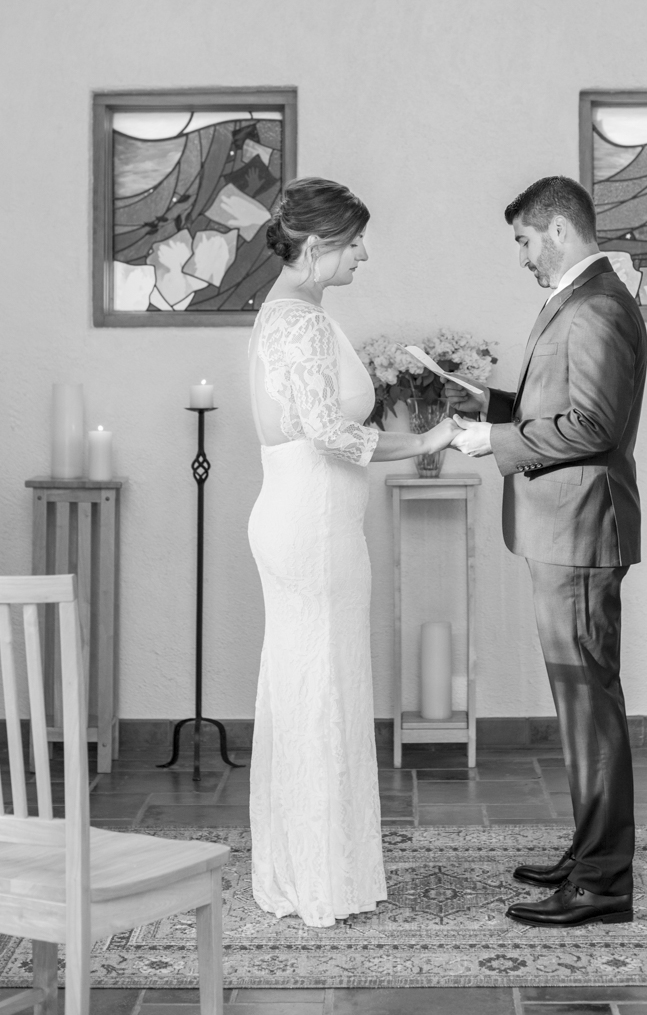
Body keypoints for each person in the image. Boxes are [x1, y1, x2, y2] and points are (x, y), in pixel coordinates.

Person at [248, 177, 458, 928]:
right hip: (311, 522)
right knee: (320, 687)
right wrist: (430, 438)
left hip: (311, 515)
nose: (365, 254)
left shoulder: (298, 311)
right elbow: (329, 433)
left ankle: (314, 869)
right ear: (314, 247)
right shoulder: (297, 320)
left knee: (318, 684)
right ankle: (316, 880)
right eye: (354, 241)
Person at [448, 175, 647, 928]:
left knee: (589, 706)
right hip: (562, 526)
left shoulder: (596, 305)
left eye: (525, 240)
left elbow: (593, 426)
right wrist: (491, 407)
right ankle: (589, 853)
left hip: (580, 528)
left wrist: (492, 443)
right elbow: (560, 405)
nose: (523, 256)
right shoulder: (579, 298)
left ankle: (602, 883)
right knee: (579, 706)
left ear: (559, 228)